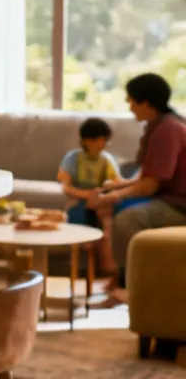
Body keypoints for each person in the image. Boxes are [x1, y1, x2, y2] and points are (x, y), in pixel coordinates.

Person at [93, 73, 186, 300]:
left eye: (132, 101)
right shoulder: (158, 125)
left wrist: (113, 196)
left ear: (146, 103)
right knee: (110, 202)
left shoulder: (169, 130)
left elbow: (151, 185)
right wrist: (119, 186)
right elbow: (149, 175)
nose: (130, 106)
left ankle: (132, 287)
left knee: (128, 219)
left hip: (179, 204)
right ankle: (119, 276)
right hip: (166, 196)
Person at [58, 117, 122, 275]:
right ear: (86, 140)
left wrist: (102, 192)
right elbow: (66, 185)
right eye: (98, 139)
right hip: (79, 199)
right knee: (79, 218)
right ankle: (78, 263)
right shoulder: (74, 158)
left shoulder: (106, 160)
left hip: (99, 200)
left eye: (104, 140)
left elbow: (115, 182)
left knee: (106, 222)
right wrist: (86, 195)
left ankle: (106, 265)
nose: (102, 144)